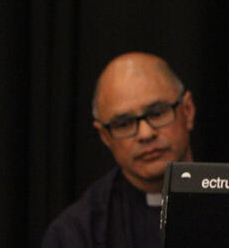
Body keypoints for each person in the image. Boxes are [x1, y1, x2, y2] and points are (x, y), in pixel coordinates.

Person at [41, 52, 196, 248]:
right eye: (124, 124)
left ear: (188, 110)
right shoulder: (76, 234)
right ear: (105, 136)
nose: (145, 133)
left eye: (157, 113)